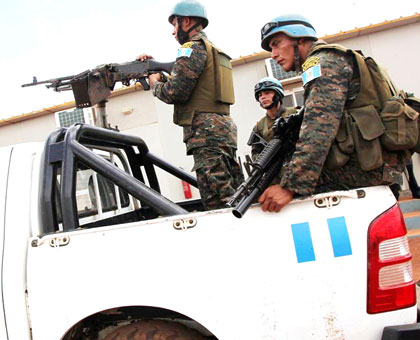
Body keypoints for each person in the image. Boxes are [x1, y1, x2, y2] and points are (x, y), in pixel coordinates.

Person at [257, 14, 406, 212]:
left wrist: (290, 186)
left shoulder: (322, 61)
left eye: (276, 44)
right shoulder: (335, 57)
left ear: (299, 39)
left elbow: (318, 129)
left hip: (367, 169)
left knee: (273, 187)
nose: (273, 54)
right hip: (376, 164)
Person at [137, 0, 243, 210]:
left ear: (185, 21)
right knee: (234, 193)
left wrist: (155, 83)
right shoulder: (213, 50)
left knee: (218, 202)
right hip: (222, 129)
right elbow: (191, 84)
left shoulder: (191, 49)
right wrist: (154, 67)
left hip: (206, 133)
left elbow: (174, 92)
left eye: (174, 25)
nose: (173, 32)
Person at [249, 77, 288, 161]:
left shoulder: (295, 114)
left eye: (267, 93)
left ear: (278, 94)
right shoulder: (259, 127)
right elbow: (256, 153)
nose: (262, 97)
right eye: (260, 95)